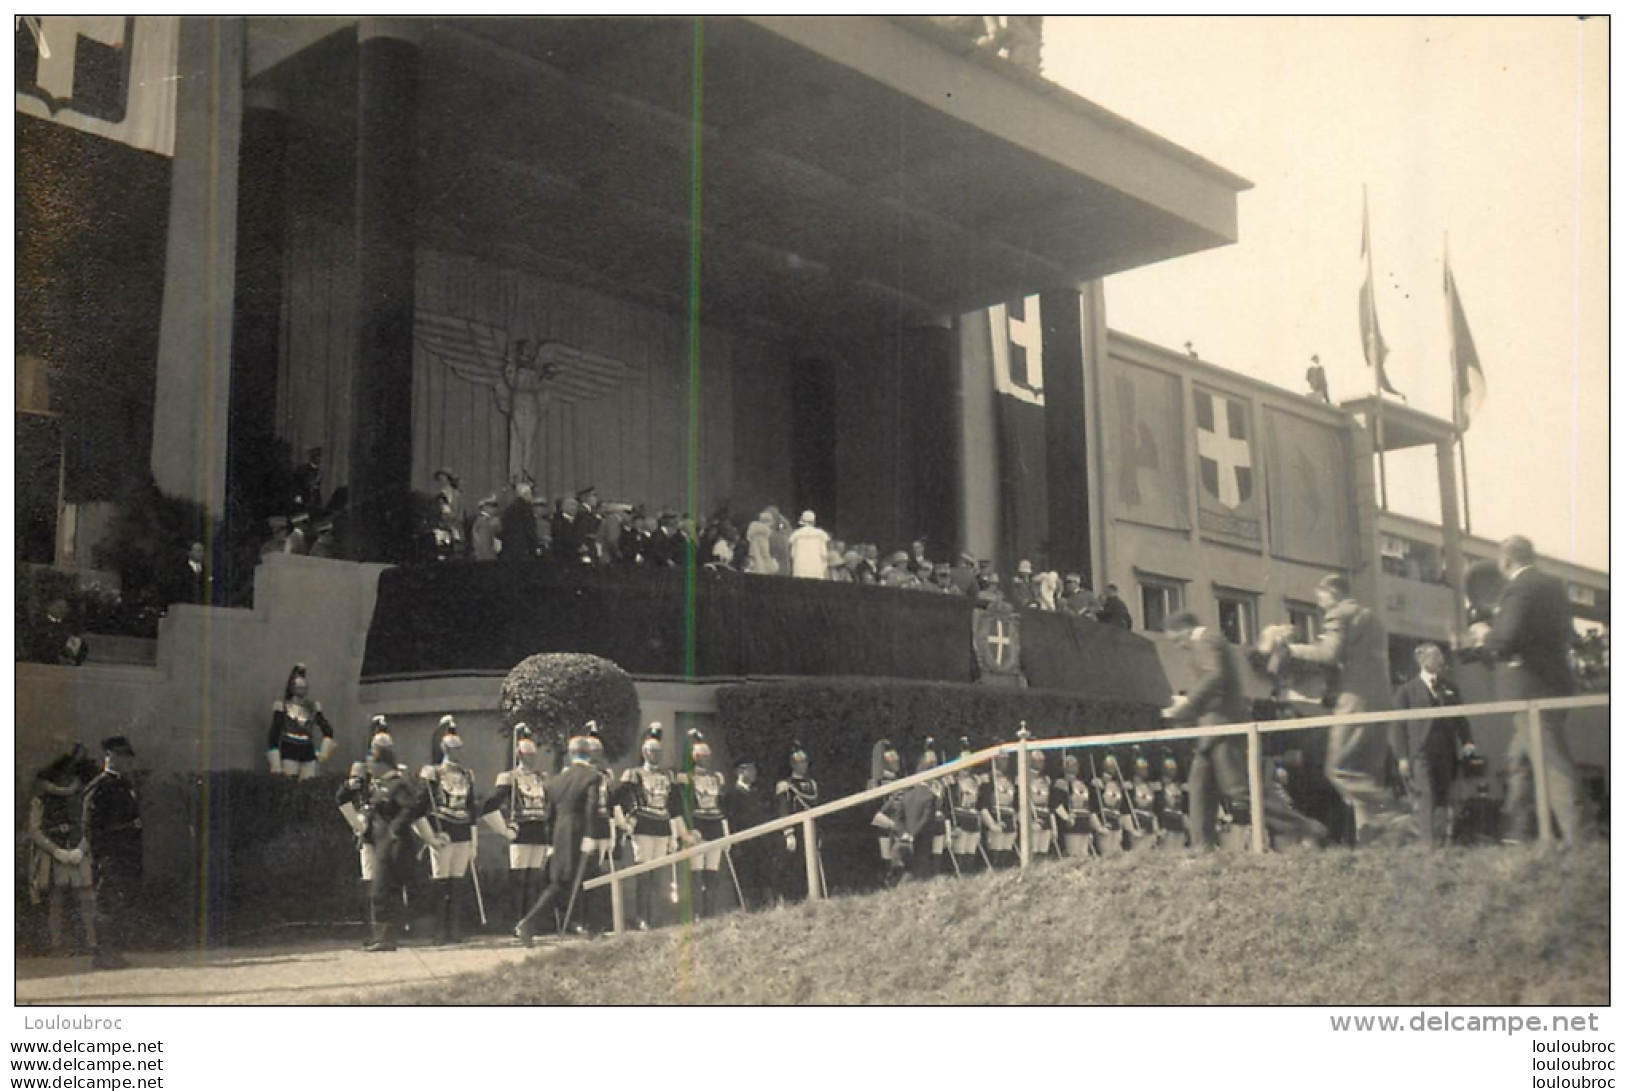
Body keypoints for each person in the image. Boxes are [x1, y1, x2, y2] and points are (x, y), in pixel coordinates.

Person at [1165, 611, 1326, 850]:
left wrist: (1187, 705)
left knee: (1240, 792)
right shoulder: (1210, 642)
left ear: (1186, 631)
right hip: (1213, 728)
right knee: (1200, 788)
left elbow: (1214, 676)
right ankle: (1202, 847)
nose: (1179, 647)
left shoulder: (1205, 641)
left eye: (1177, 640)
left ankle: (1304, 828)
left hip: (1223, 727)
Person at [1476, 535, 1593, 846]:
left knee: (1553, 764)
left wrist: (1485, 635)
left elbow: (1507, 638)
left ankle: (1581, 838)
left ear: (1505, 560)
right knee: (1520, 761)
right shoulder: (1552, 586)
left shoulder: (1519, 587)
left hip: (1530, 691)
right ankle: (1520, 831)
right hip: (1552, 683)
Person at [1279, 574, 1411, 845]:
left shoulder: (1338, 615)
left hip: (1356, 702)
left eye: (1321, 598)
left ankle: (1394, 813)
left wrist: (1292, 650)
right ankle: (1375, 840)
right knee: (1367, 774)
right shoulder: (1371, 617)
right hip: (1382, 701)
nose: (1320, 604)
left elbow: (1329, 654)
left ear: (1333, 593)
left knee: (1339, 769)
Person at [515, 731, 602, 946]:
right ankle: (529, 924)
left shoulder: (555, 781)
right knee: (571, 883)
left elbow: (549, 816)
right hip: (580, 832)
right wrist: (591, 836)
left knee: (574, 881)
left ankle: (594, 928)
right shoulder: (592, 776)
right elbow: (591, 808)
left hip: (560, 834)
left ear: (570, 754)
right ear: (589, 754)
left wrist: (551, 843)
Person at [1394, 643, 1476, 847]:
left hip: (1445, 751)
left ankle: (1442, 842)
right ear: (1422, 661)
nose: (1440, 661)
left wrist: (1467, 741)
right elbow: (1398, 726)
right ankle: (1427, 844)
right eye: (1434, 657)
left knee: (1444, 796)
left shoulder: (1449, 688)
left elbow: (1460, 718)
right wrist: (1402, 757)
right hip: (1421, 752)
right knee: (1425, 795)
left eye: (1440, 657)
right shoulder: (1407, 691)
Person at [26, 746, 100, 957]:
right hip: (54, 853)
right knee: (55, 900)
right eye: (63, 774)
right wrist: (55, 850)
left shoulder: (83, 798)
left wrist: (81, 849)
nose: (67, 778)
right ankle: (56, 944)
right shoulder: (41, 799)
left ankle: (92, 943)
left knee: (86, 898)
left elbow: (90, 826)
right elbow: (34, 830)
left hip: (78, 851)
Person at [617, 724, 688, 930]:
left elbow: (674, 807)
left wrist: (677, 834)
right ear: (644, 752)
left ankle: (655, 915)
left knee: (658, 874)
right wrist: (625, 823)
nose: (655, 755)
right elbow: (621, 799)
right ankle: (641, 916)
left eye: (658, 752)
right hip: (643, 827)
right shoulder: (634, 774)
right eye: (651, 751)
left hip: (663, 827)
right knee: (644, 873)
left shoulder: (668, 776)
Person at [480, 723, 550, 929]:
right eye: (528, 755)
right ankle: (515, 921)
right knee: (519, 879)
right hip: (519, 832)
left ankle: (531, 921)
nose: (532, 758)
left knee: (534, 879)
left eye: (533, 754)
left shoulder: (542, 778)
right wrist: (503, 829)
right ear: (519, 755)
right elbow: (488, 805)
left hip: (539, 831)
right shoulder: (509, 778)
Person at [82, 736, 143, 970]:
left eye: (127, 757)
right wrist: (101, 855)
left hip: (126, 856)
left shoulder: (124, 784)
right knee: (106, 903)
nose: (125, 761)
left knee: (119, 903)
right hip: (109, 856)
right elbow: (90, 826)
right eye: (119, 755)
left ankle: (113, 951)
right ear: (108, 757)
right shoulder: (99, 786)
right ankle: (103, 953)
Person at [418, 717, 480, 944]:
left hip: (462, 833)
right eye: (453, 749)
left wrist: (474, 842)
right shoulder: (432, 774)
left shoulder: (467, 775)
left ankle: (456, 929)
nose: (458, 753)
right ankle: (439, 930)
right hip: (442, 833)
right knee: (441, 882)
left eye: (459, 749)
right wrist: (430, 836)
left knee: (458, 883)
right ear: (444, 748)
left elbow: (472, 809)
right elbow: (421, 807)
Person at [336, 717, 395, 921]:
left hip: (387, 829)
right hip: (368, 827)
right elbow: (345, 796)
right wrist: (358, 823)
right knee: (370, 878)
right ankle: (374, 926)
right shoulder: (361, 769)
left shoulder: (393, 771)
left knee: (388, 879)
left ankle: (390, 925)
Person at [675, 730, 731, 917]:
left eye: (708, 756)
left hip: (715, 825)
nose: (705, 760)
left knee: (712, 874)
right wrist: (687, 831)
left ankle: (710, 914)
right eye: (701, 756)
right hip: (697, 826)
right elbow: (683, 806)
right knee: (696, 874)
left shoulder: (716, 778)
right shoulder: (686, 778)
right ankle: (696, 914)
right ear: (694, 757)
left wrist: (726, 832)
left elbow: (722, 807)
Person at [719, 756, 773, 910]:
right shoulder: (732, 795)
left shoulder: (757, 793)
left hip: (760, 840)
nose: (753, 772)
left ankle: (769, 904)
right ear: (739, 771)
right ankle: (747, 907)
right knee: (746, 875)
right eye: (749, 769)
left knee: (764, 872)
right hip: (744, 842)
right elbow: (732, 819)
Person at [266, 664, 336, 778]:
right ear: (292, 687)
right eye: (299, 687)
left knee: (308, 783)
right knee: (289, 783)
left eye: (304, 688)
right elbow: (274, 733)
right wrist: (275, 762)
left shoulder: (312, 707)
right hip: (289, 748)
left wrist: (323, 753)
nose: (301, 690)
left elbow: (328, 730)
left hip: (307, 750)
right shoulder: (282, 706)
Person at [774, 742, 821, 901]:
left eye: (805, 761)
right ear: (792, 764)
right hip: (797, 830)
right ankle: (795, 898)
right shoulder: (786, 785)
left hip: (812, 829)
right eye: (800, 762)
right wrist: (788, 832)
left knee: (812, 863)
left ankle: (812, 895)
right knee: (796, 865)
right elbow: (784, 809)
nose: (803, 765)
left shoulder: (812, 784)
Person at [867, 739, 906, 885]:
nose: (897, 761)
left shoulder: (901, 781)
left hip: (901, 827)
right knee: (888, 862)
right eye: (893, 758)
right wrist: (892, 825)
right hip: (884, 829)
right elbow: (872, 812)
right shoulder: (876, 783)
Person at [947, 736, 987, 872]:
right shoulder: (953, 780)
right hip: (960, 817)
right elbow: (950, 802)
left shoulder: (976, 779)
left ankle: (969, 876)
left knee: (971, 850)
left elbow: (979, 801)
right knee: (960, 850)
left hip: (973, 817)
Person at [979, 752, 1019, 867]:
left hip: (1009, 817)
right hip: (995, 815)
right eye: (1002, 759)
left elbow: (1015, 802)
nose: (1004, 763)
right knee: (995, 851)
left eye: (1006, 759)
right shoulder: (989, 778)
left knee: (1006, 851)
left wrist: (1016, 819)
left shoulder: (1011, 779)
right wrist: (991, 824)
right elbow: (983, 804)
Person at [1052, 752, 1094, 858]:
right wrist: (1066, 817)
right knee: (1074, 853)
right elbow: (1057, 804)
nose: (1074, 767)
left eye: (1075, 765)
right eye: (1070, 765)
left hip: (1084, 819)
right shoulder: (1061, 784)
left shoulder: (1082, 784)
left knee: (1084, 853)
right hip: (1073, 821)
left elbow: (1088, 804)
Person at [27, 598, 89, 666]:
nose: (69, 640)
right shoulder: (63, 627)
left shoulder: (52, 647)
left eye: (72, 644)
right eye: (73, 640)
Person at [499, 479, 540, 563]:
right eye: (530, 494)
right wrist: (535, 545)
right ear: (525, 494)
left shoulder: (509, 509)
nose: (532, 497)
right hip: (524, 546)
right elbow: (529, 528)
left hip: (510, 547)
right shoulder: (526, 509)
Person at [787, 510, 831, 580]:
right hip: (817, 572)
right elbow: (824, 555)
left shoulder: (796, 535)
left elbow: (792, 555)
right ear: (814, 521)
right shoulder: (820, 535)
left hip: (799, 571)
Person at [167, 540, 211, 607]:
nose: (201, 554)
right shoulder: (181, 570)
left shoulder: (207, 572)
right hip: (184, 607)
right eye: (198, 551)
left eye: (202, 551)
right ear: (190, 553)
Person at [744, 509, 778, 575]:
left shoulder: (754, 534)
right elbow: (765, 553)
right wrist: (773, 564)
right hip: (761, 567)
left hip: (755, 564)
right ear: (769, 522)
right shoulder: (762, 535)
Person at [471, 495, 503, 561]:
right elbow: (485, 546)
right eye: (492, 507)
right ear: (485, 508)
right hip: (486, 558)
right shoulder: (483, 523)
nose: (495, 510)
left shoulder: (486, 521)